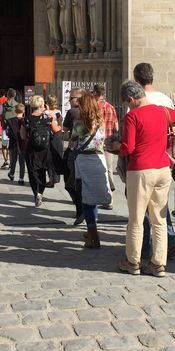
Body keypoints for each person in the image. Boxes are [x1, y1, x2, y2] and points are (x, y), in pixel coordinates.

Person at [111, 81, 175, 278]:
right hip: (163, 168)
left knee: (137, 218)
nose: (128, 106)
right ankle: (158, 264)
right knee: (159, 219)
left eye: (127, 102)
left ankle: (133, 261)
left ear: (131, 99)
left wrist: (115, 147)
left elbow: (128, 148)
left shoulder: (133, 116)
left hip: (141, 170)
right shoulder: (163, 111)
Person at [133, 62, 175, 258]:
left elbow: (132, 134)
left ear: (136, 80)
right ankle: (169, 240)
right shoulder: (166, 99)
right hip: (164, 158)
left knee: (142, 207)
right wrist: (174, 153)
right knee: (160, 205)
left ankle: (143, 247)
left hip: (143, 160)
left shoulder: (136, 101)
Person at [72, 92, 112, 248]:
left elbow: (72, 142)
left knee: (86, 199)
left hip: (84, 161)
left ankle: (93, 235)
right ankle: (91, 231)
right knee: (93, 197)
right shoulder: (100, 122)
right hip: (98, 158)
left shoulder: (80, 124)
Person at [20, 95, 62, 206]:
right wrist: (61, 124)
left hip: (31, 150)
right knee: (42, 172)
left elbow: (23, 136)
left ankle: (36, 193)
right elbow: (56, 131)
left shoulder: (27, 119)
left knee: (32, 173)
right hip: (45, 150)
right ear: (42, 104)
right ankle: (41, 192)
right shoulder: (48, 118)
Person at [94, 84, 119, 209]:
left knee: (97, 171)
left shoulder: (93, 107)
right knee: (109, 169)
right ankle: (109, 199)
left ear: (95, 93)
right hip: (108, 143)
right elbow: (116, 127)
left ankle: (99, 197)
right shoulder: (111, 107)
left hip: (96, 143)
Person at [63, 88, 85, 224]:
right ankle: (84, 213)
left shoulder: (74, 113)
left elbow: (68, 135)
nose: (69, 100)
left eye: (71, 98)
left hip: (76, 153)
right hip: (92, 154)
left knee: (70, 184)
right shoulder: (94, 113)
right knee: (82, 184)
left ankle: (81, 210)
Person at [46, 95, 64, 187]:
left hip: (49, 135)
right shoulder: (58, 112)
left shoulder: (46, 112)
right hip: (57, 135)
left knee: (49, 157)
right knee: (57, 155)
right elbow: (61, 123)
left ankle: (51, 178)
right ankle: (56, 178)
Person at [7, 103, 27, 185]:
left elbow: (8, 133)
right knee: (22, 161)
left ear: (15, 111)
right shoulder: (25, 120)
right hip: (22, 143)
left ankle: (11, 173)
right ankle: (21, 178)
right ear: (24, 111)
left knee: (13, 160)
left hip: (13, 142)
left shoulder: (10, 120)